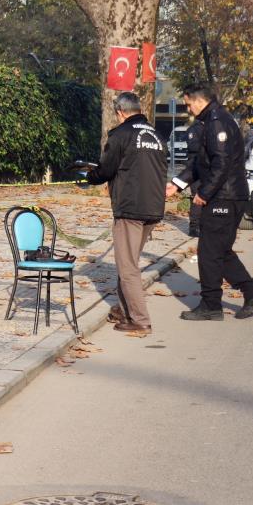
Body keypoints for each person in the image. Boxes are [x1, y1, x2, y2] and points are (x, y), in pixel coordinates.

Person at [165, 83, 253, 320]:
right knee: (219, 250)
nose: (187, 107)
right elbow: (199, 163)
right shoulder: (209, 121)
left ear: (199, 100)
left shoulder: (217, 122)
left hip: (225, 196)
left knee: (210, 252)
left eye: (188, 102)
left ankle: (212, 304)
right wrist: (178, 183)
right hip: (226, 195)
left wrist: (205, 193)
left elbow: (221, 163)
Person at [86, 92, 168, 334]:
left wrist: (90, 176)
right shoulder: (157, 135)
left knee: (127, 266)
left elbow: (106, 169)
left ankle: (140, 321)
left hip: (130, 208)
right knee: (129, 261)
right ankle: (125, 310)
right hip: (153, 207)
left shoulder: (120, 134)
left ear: (120, 111)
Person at [172, 119, 205, 238]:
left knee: (200, 196)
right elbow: (195, 148)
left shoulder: (195, 128)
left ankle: (199, 225)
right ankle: (195, 226)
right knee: (198, 196)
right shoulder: (198, 128)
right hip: (196, 167)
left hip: (199, 167)